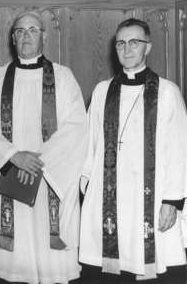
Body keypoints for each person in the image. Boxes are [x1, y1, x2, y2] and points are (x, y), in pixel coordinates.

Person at [0, 10, 88, 284]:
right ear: (13, 38)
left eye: (33, 30)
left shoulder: (63, 77)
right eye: (20, 31)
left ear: (44, 37)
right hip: (9, 177)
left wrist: (36, 161)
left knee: (51, 264)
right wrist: (15, 156)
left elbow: (76, 127)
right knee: (14, 265)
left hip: (52, 177)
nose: (26, 36)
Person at [79, 18, 187, 283]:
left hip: (151, 194)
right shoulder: (103, 91)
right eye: (121, 44)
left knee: (146, 263)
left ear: (147, 47)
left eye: (134, 43)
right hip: (108, 194)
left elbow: (179, 149)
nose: (127, 50)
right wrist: (86, 183)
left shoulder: (167, 92)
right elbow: (90, 142)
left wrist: (172, 201)